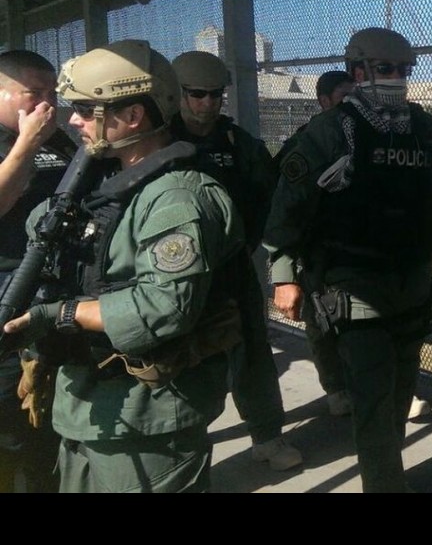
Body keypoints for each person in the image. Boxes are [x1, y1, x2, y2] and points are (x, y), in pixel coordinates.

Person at [2, 39, 247, 493]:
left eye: (85, 109)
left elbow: (163, 308)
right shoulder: (101, 184)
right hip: (86, 406)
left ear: (133, 115)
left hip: (147, 417)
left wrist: (59, 315)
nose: (72, 120)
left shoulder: (176, 197)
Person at [263, 27, 432, 492]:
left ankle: (388, 479)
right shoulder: (330, 132)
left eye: (404, 70)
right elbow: (286, 210)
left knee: (400, 394)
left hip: (412, 288)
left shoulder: (426, 130)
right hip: (355, 291)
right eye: (386, 69)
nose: (396, 78)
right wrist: (284, 277)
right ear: (358, 72)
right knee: (374, 402)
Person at [170, 50, 302, 470]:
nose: (207, 103)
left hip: (230, 268)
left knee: (252, 352)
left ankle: (267, 435)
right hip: (170, 275)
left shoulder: (237, 143)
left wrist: (247, 245)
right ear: (176, 93)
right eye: (197, 94)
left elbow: (270, 199)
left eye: (215, 95)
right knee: (176, 358)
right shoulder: (156, 141)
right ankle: (179, 446)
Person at [0, 50, 77, 493]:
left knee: (48, 420)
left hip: (56, 291)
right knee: (10, 419)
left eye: (53, 92)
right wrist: (26, 144)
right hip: (9, 292)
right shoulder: (26, 140)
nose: (47, 103)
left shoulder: (58, 140)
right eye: (34, 92)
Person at [277, 70, 355, 416]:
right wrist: (284, 273)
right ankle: (336, 388)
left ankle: (380, 386)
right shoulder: (308, 142)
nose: (351, 105)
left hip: (359, 251)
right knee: (322, 321)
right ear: (324, 101)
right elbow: (284, 207)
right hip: (319, 250)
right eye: (343, 97)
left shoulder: (370, 136)